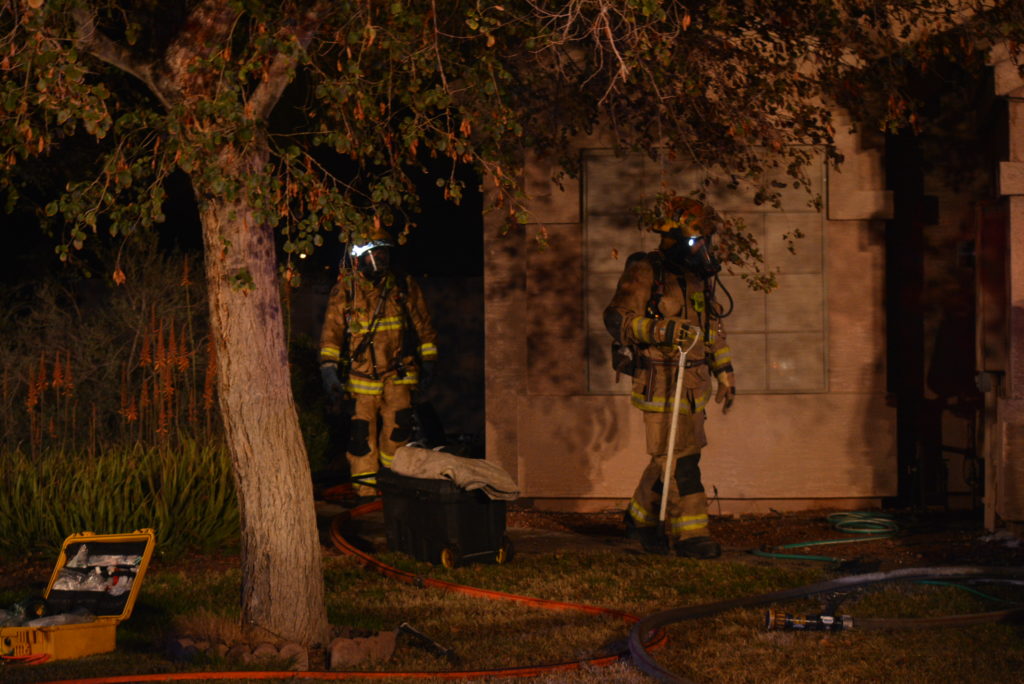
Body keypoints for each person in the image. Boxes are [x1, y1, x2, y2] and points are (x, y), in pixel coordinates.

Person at [603, 197, 735, 559]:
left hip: (694, 388)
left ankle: (639, 518)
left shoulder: (697, 278)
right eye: (696, 240)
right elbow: (616, 318)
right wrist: (661, 330)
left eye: (704, 240)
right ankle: (690, 535)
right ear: (675, 238)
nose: (702, 248)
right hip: (659, 383)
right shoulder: (646, 271)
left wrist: (725, 372)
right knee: (682, 463)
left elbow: (711, 330)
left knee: (668, 459)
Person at [319, 230, 438, 499]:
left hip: (399, 374)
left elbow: (423, 326)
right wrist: (328, 367)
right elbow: (332, 332)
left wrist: (429, 360)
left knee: (399, 432)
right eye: (373, 254)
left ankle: (394, 487)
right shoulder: (346, 290)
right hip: (361, 377)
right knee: (360, 438)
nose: (379, 260)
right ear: (358, 259)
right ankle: (367, 492)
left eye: (383, 253)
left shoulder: (403, 286)